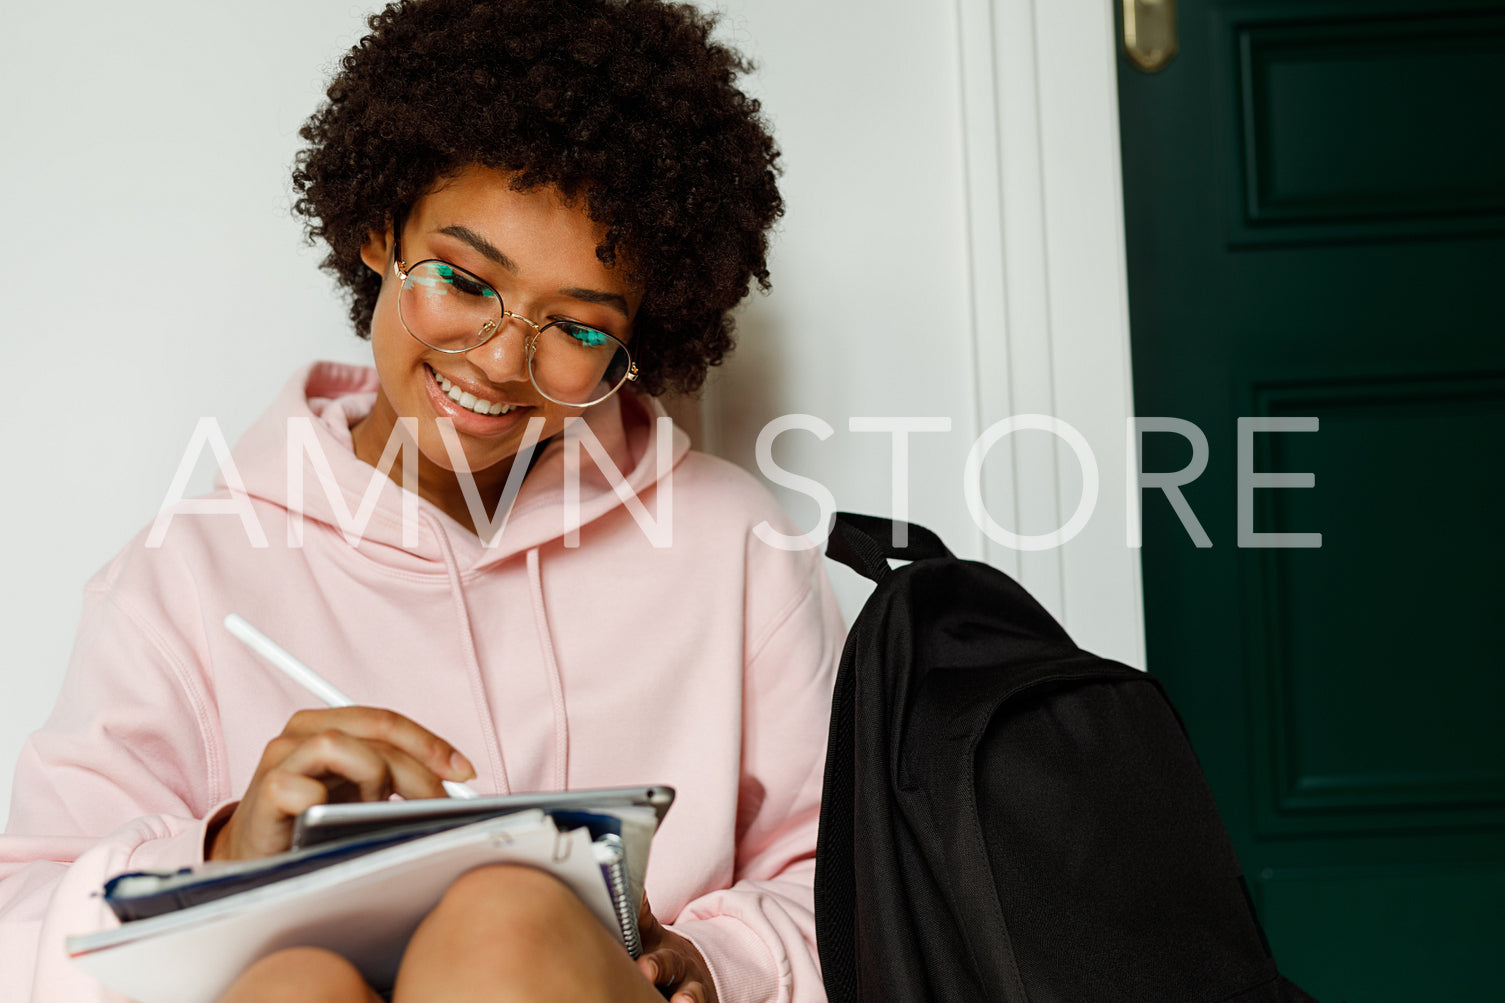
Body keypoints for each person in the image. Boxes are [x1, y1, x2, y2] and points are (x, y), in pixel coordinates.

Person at [0, 1, 843, 1001]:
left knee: (509, 923)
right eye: (460, 278)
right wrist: (223, 851)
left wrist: (715, 959)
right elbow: (22, 937)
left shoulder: (732, 550)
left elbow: (847, 885)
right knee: (295, 984)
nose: (497, 359)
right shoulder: (187, 577)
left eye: (575, 329)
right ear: (376, 229)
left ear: (638, 342)